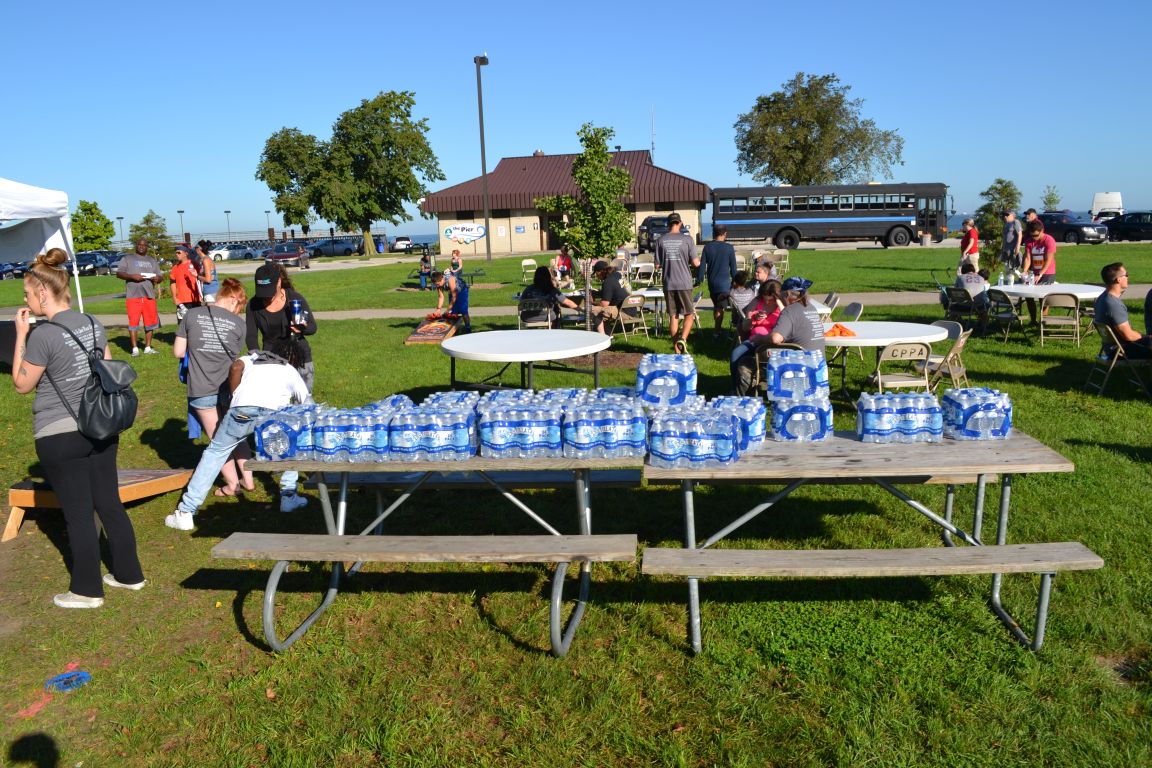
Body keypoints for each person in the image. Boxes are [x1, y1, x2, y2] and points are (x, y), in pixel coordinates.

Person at [11, 248, 145, 608]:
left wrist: (21, 335)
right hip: (100, 426)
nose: (25, 301)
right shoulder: (92, 323)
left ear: (43, 292)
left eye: (27, 294)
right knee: (109, 503)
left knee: (79, 514)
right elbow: (108, 369)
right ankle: (129, 574)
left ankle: (86, 591)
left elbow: (22, 383)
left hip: (59, 433)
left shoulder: (43, 335)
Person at [166, 338, 313, 530]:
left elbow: (235, 367)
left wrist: (235, 395)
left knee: (215, 453)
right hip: (273, 414)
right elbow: (308, 405)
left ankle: (186, 512)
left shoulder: (252, 357)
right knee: (290, 447)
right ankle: (288, 497)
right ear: (293, 359)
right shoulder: (289, 370)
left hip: (242, 411)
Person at [174, 277, 253, 496]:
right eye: (240, 306)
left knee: (218, 440)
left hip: (201, 387)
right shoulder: (240, 324)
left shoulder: (191, 315)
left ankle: (232, 485)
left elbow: (178, 351)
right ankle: (248, 480)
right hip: (229, 387)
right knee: (236, 433)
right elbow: (235, 358)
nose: (238, 311)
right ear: (233, 300)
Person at [729, 276, 825, 395]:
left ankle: (744, 398)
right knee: (739, 354)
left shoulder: (789, 311)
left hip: (797, 364)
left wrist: (760, 338)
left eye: (782, 295)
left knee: (745, 363)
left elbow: (775, 338)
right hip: (818, 366)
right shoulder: (811, 308)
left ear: (787, 294)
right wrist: (754, 320)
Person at [247, 262, 318, 392]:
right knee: (275, 400)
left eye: (269, 290)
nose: (266, 296)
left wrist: (302, 329)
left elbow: (313, 327)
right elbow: (251, 337)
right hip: (270, 360)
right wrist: (257, 359)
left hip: (300, 358)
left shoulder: (295, 299)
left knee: (302, 401)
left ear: (279, 282)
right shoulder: (253, 305)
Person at [654, 212, 699, 352]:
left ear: (668, 224)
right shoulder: (688, 240)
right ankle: (683, 339)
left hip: (669, 282)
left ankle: (676, 348)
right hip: (684, 282)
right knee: (689, 314)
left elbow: (657, 265)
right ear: (680, 223)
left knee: (673, 315)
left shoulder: (660, 240)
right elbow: (696, 263)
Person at [115, 237, 163, 356]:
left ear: (147, 247)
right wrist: (132, 277)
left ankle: (148, 347)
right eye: (139, 244)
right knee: (133, 322)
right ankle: (135, 349)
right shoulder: (128, 258)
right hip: (133, 296)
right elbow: (119, 273)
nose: (141, 246)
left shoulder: (152, 260)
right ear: (136, 245)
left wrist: (157, 278)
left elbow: (160, 276)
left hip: (149, 296)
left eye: (144, 245)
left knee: (150, 322)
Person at [1095, 263, 1152, 360]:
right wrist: (1146, 338)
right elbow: (1128, 335)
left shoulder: (1102, 298)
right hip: (1121, 350)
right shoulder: (1113, 304)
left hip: (1110, 347)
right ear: (1119, 279)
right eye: (1126, 275)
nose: (1128, 277)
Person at [698, 224, 738, 337]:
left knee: (717, 306)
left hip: (712, 283)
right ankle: (716, 332)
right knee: (720, 308)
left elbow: (702, 267)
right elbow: (733, 269)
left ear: (714, 233)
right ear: (725, 234)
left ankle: (717, 330)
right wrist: (736, 282)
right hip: (724, 284)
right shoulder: (729, 248)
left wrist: (699, 279)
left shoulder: (707, 247)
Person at [1022, 220, 1058, 323]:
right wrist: (1024, 271)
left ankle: (1043, 322)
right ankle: (1033, 320)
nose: (1034, 238)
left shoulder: (1049, 240)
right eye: (1032, 235)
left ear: (1042, 231)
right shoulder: (1029, 241)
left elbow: (1048, 260)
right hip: (1034, 272)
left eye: (1036, 235)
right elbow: (1028, 258)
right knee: (1028, 295)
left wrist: (1040, 274)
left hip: (1047, 273)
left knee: (1043, 297)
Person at [588, 259, 630, 334]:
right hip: (631, 308)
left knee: (593, 310)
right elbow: (615, 290)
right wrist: (596, 293)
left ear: (600, 272)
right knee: (604, 311)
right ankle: (608, 334)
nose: (596, 276)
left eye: (596, 273)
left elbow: (604, 304)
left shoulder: (607, 282)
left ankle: (603, 336)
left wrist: (592, 302)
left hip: (623, 312)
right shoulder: (618, 275)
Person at [170, 244, 202, 323]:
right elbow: (172, 283)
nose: (176, 254)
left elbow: (201, 279)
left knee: (196, 324)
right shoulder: (175, 268)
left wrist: (202, 295)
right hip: (181, 301)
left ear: (186, 253)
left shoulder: (195, 264)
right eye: (176, 253)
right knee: (182, 324)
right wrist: (174, 297)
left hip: (195, 299)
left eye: (179, 252)